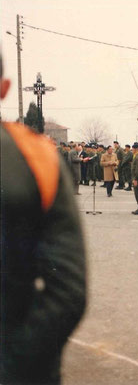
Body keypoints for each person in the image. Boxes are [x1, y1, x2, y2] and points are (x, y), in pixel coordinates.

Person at [0, 55, 87, 385]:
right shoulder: (35, 157)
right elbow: (67, 292)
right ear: (5, 88)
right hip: (20, 357)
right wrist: (17, 366)